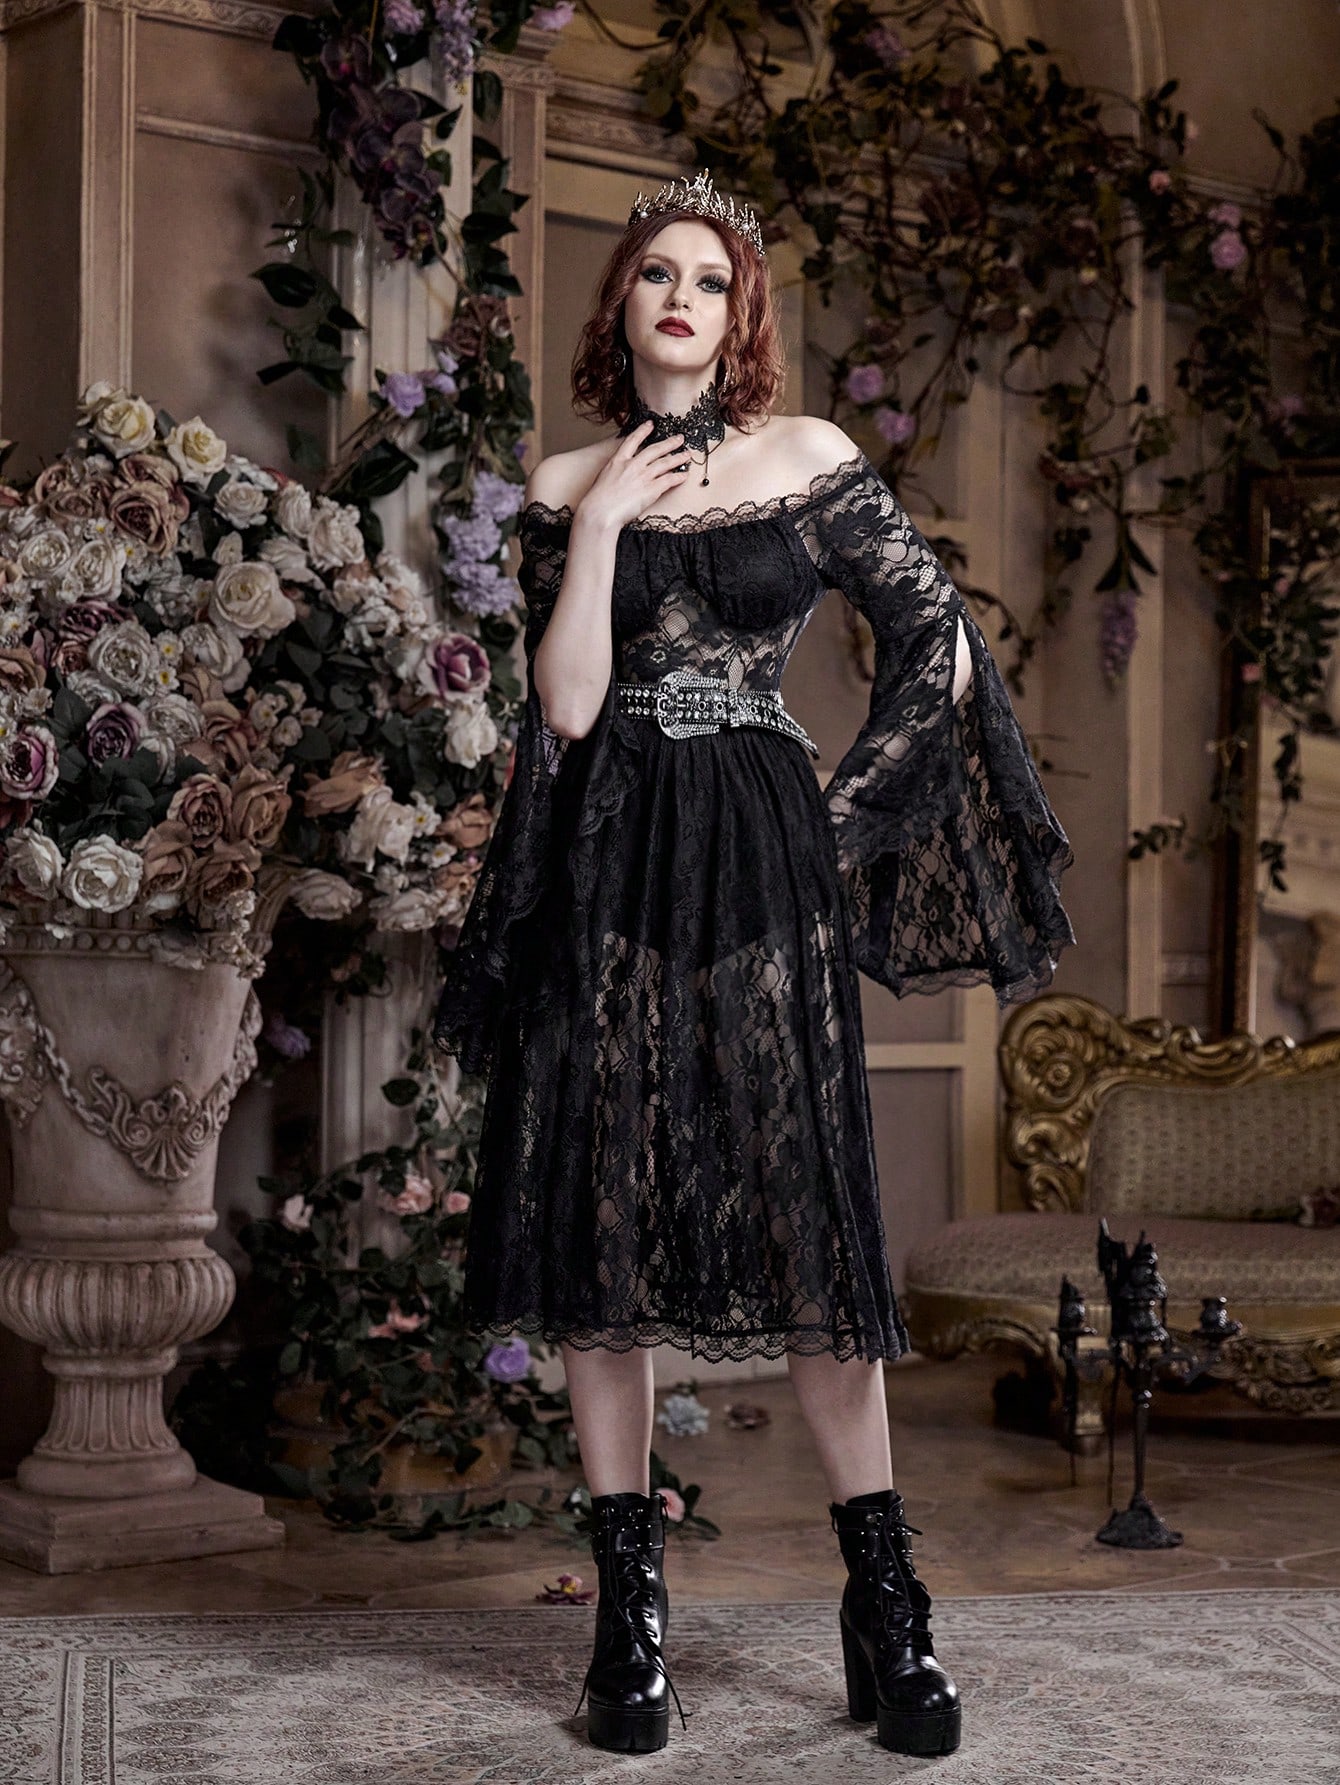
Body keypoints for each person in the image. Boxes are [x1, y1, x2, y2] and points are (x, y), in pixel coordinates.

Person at [433, 169, 1075, 1759]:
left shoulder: (806, 458)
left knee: (811, 1234)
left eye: (710, 281)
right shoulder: (566, 482)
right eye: (657, 273)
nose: (682, 298)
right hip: (613, 865)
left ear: (741, 317)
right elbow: (567, 708)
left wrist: (838, 819)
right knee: (605, 1229)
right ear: (624, 304)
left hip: (764, 857)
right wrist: (598, 527)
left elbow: (940, 644)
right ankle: (629, 1620)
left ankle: (888, 1607)